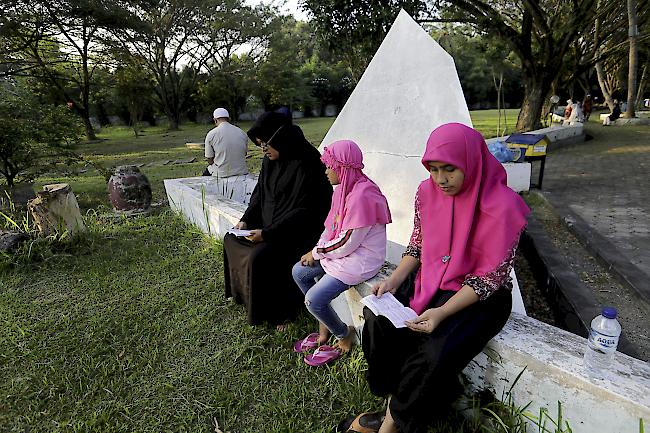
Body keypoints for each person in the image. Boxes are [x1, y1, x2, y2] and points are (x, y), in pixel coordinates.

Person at [342, 123, 530, 433]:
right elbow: (417, 244)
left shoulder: (504, 206)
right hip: (433, 277)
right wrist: (394, 280)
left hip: (482, 297)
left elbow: (489, 278)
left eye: (450, 169)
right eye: (433, 169)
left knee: (433, 350)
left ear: (470, 162)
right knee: (379, 321)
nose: (440, 179)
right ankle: (394, 404)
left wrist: (441, 313)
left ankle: (389, 426)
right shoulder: (426, 192)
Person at [222, 112, 332, 327]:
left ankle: (277, 311)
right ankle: (245, 297)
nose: (264, 150)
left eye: (266, 145)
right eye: (261, 145)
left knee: (260, 257)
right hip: (269, 225)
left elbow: (305, 211)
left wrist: (267, 234)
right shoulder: (270, 160)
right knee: (231, 239)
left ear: (281, 139)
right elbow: (260, 193)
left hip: (296, 233)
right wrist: (246, 220)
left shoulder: (309, 162)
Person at [291, 140, 391, 364]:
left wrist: (316, 253)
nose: (326, 172)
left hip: (360, 260)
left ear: (342, 168)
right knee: (299, 272)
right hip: (343, 253)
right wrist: (316, 249)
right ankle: (324, 328)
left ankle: (344, 333)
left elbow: (348, 242)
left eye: (329, 166)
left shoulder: (363, 196)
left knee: (313, 300)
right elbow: (330, 228)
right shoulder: (343, 189)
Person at [203, 108, 249, 178]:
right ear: (229, 119)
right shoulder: (242, 132)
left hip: (221, 173)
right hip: (242, 171)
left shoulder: (211, 134)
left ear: (215, 120)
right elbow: (244, 154)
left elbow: (210, 160)